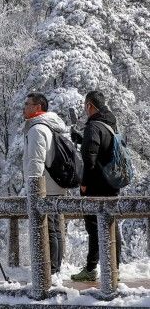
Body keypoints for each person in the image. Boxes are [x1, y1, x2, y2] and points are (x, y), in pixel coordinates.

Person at [70, 90, 124, 282]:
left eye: (86, 106)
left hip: (96, 186)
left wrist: (84, 183)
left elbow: (90, 159)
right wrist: (80, 139)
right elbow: (102, 148)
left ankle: (92, 268)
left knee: (93, 226)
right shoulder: (111, 125)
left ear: (90, 105)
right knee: (111, 224)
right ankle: (114, 267)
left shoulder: (93, 126)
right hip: (112, 183)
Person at [22, 93, 69, 277]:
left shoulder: (37, 129)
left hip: (44, 187)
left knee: (48, 229)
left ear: (37, 107)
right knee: (55, 228)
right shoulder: (51, 126)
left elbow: (36, 161)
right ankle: (55, 269)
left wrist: (32, 188)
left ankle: (49, 271)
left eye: (27, 104)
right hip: (55, 185)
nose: (23, 107)